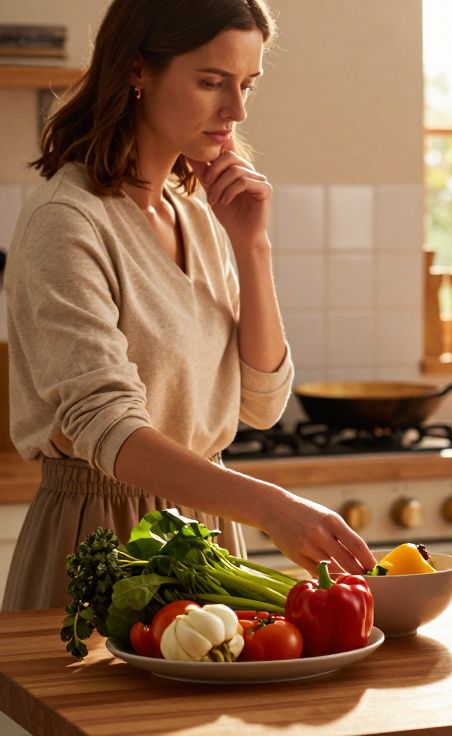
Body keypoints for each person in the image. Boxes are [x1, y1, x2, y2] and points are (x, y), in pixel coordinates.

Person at [2, 0, 376, 612]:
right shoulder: (66, 223)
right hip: (104, 536)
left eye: (246, 84)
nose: (237, 110)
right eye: (211, 82)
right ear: (138, 70)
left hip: (208, 539)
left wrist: (252, 245)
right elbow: (111, 429)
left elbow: (260, 403)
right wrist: (271, 506)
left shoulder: (198, 215)